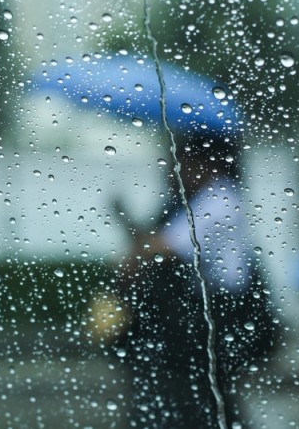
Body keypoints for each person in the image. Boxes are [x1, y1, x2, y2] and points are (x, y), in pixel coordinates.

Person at [117, 133, 279, 428]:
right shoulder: (186, 202)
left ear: (209, 163)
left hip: (222, 318)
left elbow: (161, 248)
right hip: (198, 322)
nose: (173, 169)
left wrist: (137, 242)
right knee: (205, 399)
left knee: (202, 398)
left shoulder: (220, 199)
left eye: (182, 162)